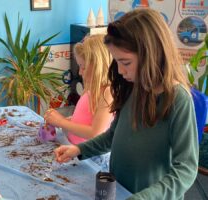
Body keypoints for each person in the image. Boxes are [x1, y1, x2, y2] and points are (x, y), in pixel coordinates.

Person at [54, 8, 199, 199]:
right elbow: (112, 136)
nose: (120, 70)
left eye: (126, 62)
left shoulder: (178, 99)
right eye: (117, 62)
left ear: (151, 55)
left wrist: (143, 197)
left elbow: (186, 169)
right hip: (119, 190)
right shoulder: (131, 87)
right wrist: (80, 149)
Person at [44, 34, 114, 145]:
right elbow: (84, 119)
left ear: (99, 66)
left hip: (91, 156)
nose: (80, 72)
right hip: (74, 147)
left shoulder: (108, 93)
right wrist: (63, 120)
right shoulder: (90, 88)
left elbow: (95, 133)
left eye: (83, 67)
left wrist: (61, 122)